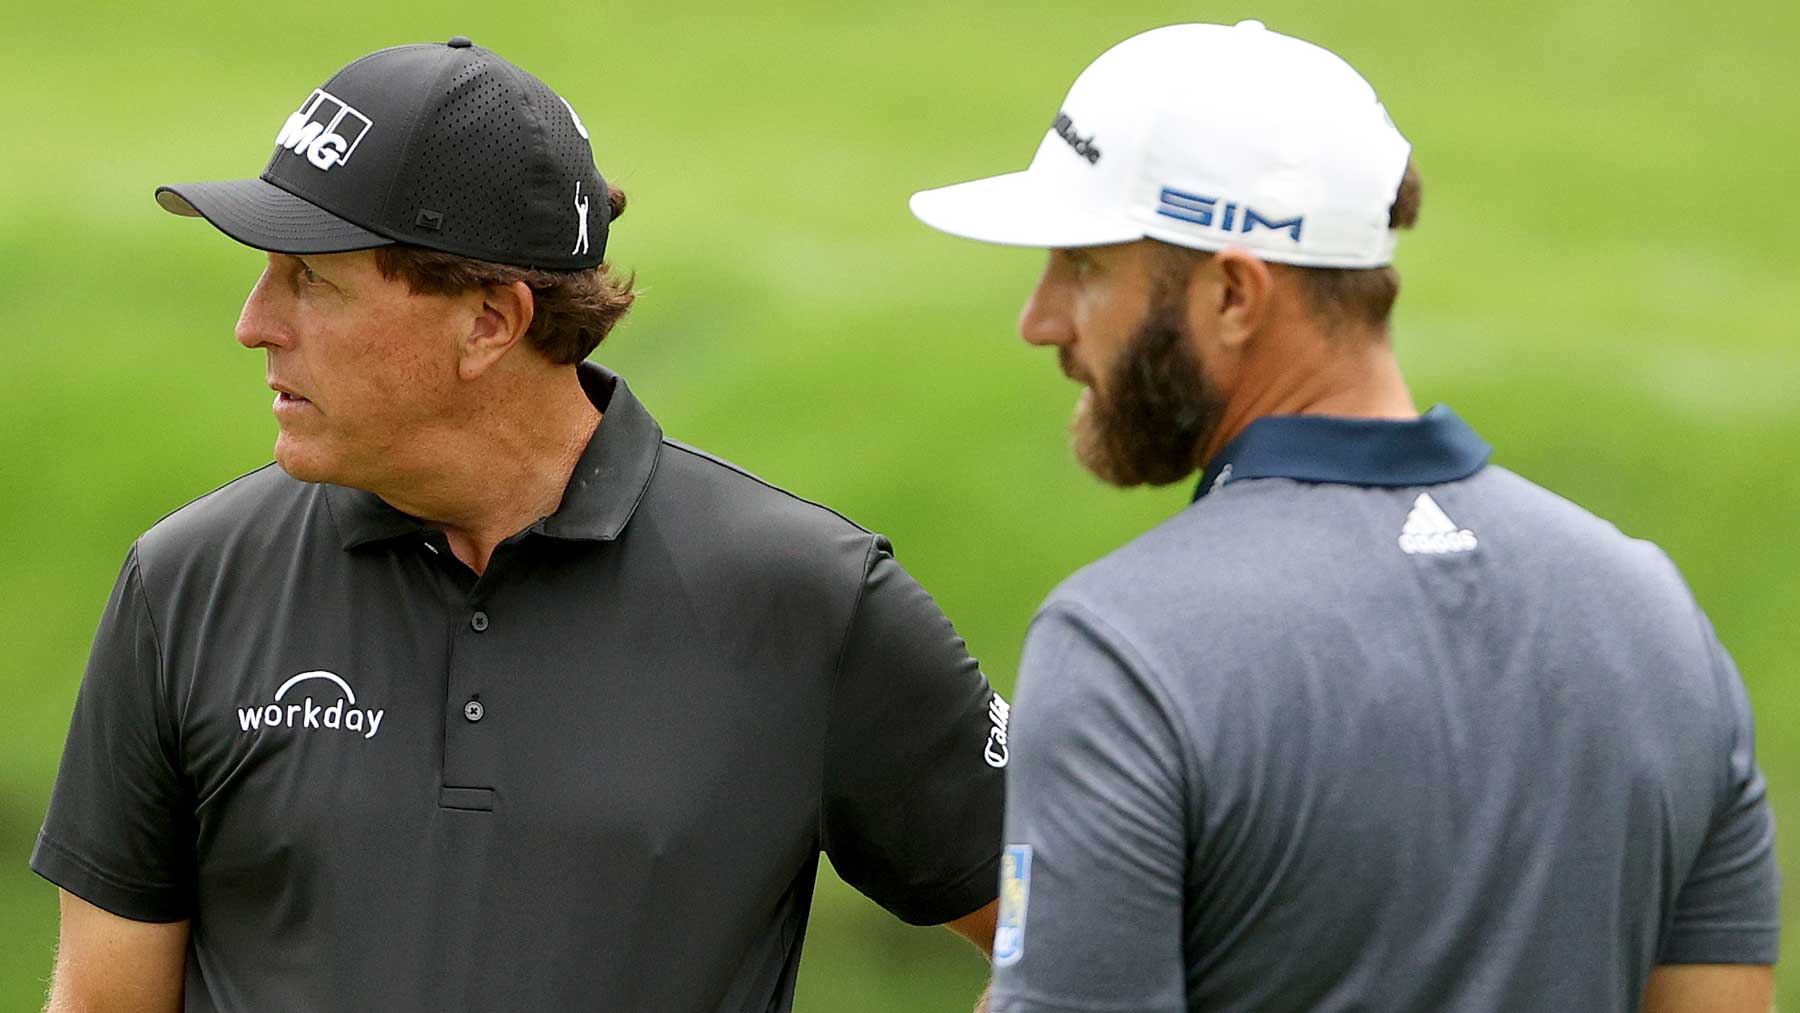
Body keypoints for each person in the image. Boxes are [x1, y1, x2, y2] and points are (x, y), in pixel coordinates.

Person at [34, 37, 1003, 1011]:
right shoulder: (186, 585)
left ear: (490, 321)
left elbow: (1069, 932)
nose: (254, 323)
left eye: (311, 278)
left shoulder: (811, 599)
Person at [909, 20, 1778, 1012]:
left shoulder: (1126, 649)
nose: (1041, 319)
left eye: (1084, 265)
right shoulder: (1656, 620)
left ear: (1233, 294)